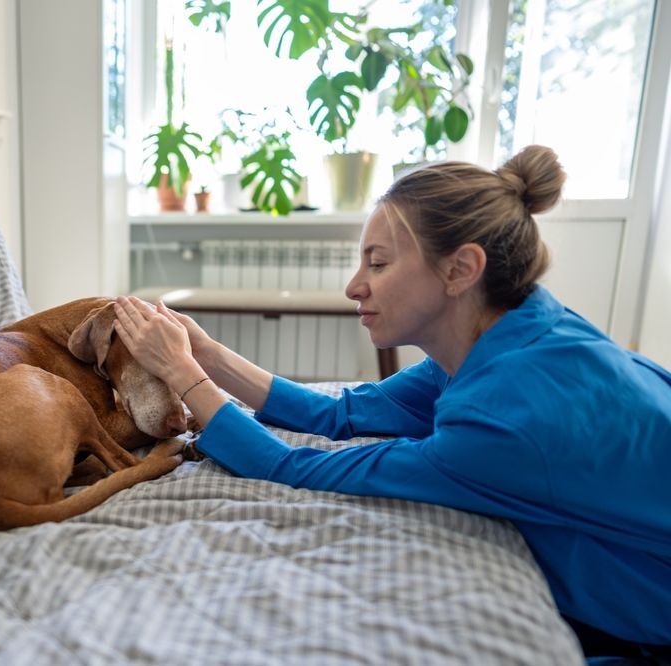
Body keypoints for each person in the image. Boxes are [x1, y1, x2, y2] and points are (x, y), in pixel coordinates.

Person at [113, 145, 671, 661]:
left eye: (378, 264)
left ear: (460, 269)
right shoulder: (502, 337)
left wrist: (182, 377)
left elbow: (292, 467)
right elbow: (338, 415)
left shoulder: (504, 421)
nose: (355, 285)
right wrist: (208, 356)